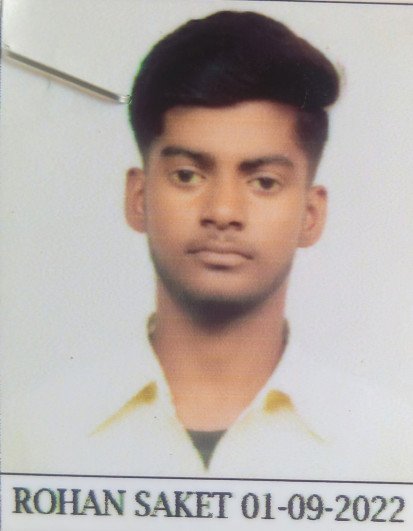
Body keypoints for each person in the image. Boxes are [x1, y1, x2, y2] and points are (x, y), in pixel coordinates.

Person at [14, 10, 411, 480]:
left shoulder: (389, 448)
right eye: (187, 175)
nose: (223, 212)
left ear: (311, 215)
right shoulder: (28, 438)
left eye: (264, 182)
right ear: (138, 198)